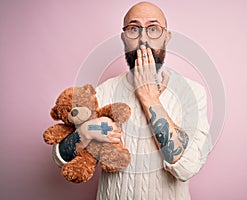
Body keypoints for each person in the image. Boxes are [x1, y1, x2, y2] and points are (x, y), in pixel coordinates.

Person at [53, 2, 212, 199]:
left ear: (166, 37)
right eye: (133, 29)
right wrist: (85, 132)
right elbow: (61, 158)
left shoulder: (193, 93)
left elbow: (188, 167)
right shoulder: (103, 91)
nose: (143, 39)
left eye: (153, 29)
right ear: (123, 38)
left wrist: (149, 97)